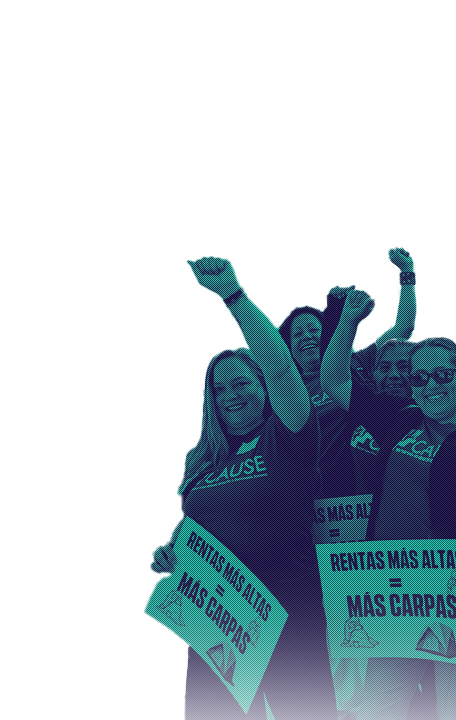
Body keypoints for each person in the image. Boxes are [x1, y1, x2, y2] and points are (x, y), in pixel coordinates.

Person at [149, 255, 338, 720]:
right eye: (219, 389)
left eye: (241, 383)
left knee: (304, 713)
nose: (230, 395)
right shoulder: (202, 462)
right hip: (217, 619)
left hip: (286, 605)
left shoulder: (287, 436)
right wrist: (168, 553)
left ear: (263, 386)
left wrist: (235, 297)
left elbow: (282, 371)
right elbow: (190, 530)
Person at [329, 327, 456, 720]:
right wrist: (348, 320)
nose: (430, 385)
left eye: (442, 374)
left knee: (450, 712)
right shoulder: (399, 420)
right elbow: (335, 379)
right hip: (392, 595)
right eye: (419, 377)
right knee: (377, 712)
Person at [280, 247, 418, 501]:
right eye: (297, 334)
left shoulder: (356, 362)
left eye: (314, 329)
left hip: (357, 488)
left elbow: (404, 326)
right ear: (288, 347)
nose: (308, 336)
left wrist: (407, 272)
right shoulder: (287, 391)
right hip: (309, 493)